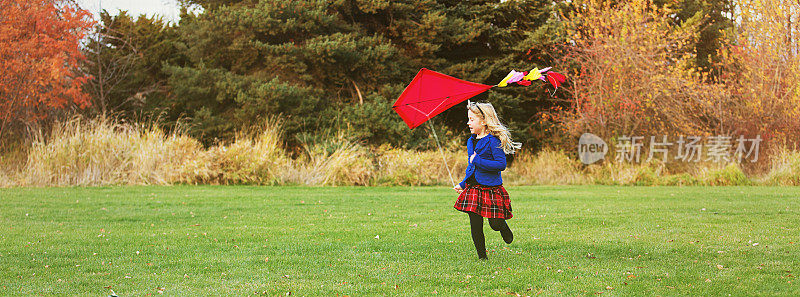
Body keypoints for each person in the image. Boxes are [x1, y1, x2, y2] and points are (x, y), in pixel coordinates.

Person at [453, 101, 521, 260]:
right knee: (475, 224)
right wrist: (462, 184)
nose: (468, 123)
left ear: (483, 121)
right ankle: (482, 257)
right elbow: (471, 166)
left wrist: (478, 161)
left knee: (495, 224)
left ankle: (503, 226)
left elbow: (501, 165)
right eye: (468, 119)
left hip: (491, 188)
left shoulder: (493, 141)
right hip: (474, 188)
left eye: (471, 119)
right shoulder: (471, 141)